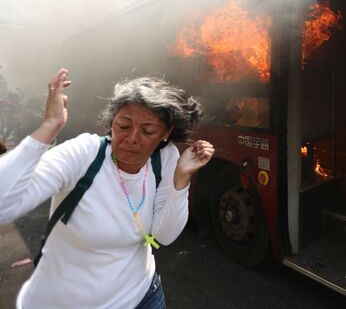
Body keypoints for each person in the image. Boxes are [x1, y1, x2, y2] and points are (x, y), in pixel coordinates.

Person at [0, 69, 215, 308]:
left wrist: (181, 178)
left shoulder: (164, 158)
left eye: (148, 131)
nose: (132, 138)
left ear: (165, 134)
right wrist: (49, 126)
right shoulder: (84, 154)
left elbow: (164, 235)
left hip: (144, 297)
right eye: (123, 125)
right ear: (111, 122)